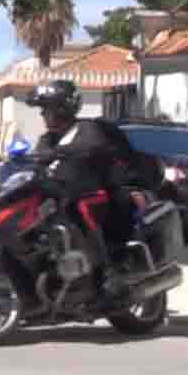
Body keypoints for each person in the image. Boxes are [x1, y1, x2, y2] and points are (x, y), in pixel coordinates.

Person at [25, 79, 137, 311]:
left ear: (62, 109)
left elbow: (90, 147)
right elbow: (37, 160)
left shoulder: (88, 129)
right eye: (42, 110)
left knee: (79, 207)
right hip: (59, 197)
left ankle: (107, 274)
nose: (43, 114)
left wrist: (57, 153)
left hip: (98, 196)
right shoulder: (47, 139)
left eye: (47, 109)